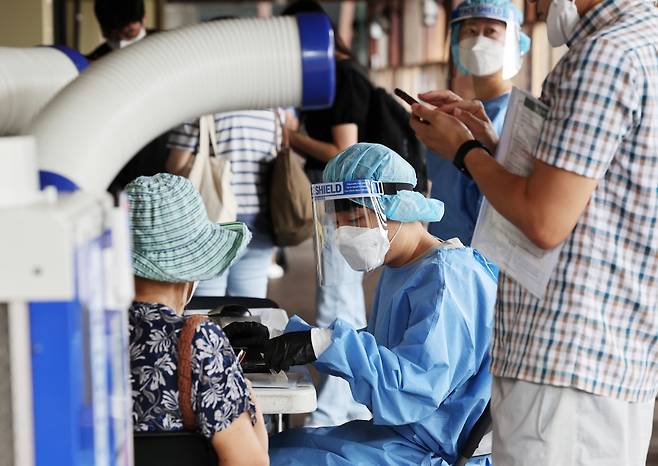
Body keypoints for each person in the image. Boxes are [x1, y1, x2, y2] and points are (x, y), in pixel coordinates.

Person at [410, 0, 658, 463]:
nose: (538, 6)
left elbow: (544, 218)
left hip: (566, 360)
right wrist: (489, 145)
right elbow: (585, 192)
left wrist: (464, 150)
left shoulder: (604, 56)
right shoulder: (644, 41)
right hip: (614, 356)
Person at [263, 143, 498, 465]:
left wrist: (324, 344)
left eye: (358, 218)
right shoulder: (404, 267)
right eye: (339, 224)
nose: (346, 234)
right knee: (273, 448)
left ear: (398, 206)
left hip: (436, 449)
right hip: (405, 436)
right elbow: (385, 345)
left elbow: (413, 390)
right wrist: (290, 336)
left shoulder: (448, 278)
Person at [126, 173, 269, 465]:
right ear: (190, 277)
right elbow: (252, 461)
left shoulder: (82, 331)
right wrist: (247, 395)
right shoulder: (198, 342)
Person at [282, 0, 372, 428]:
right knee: (345, 300)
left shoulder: (342, 78)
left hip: (343, 201)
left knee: (336, 300)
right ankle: (350, 399)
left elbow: (342, 151)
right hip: (338, 201)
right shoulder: (337, 76)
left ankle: (334, 404)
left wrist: (293, 139)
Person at [425, 0, 530, 245]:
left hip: (487, 255)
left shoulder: (521, 115)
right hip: (443, 247)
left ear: (515, 43)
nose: (479, 41)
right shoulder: (455, 113)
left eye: (491, 31)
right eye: (471, 31)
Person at [167, 110, 280, 299]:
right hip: (261, 223)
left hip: (212, 224)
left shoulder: (200, 110)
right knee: (250, 309)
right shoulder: (272, 112)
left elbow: (176, 166)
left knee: (206, 309)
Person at [88, 0, 170, 193]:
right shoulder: (95, 61)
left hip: (161, 150)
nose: (121, 42)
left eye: (129, 33)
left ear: (143, 19)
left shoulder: (169, 46)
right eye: (112, 35)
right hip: (116, 158)